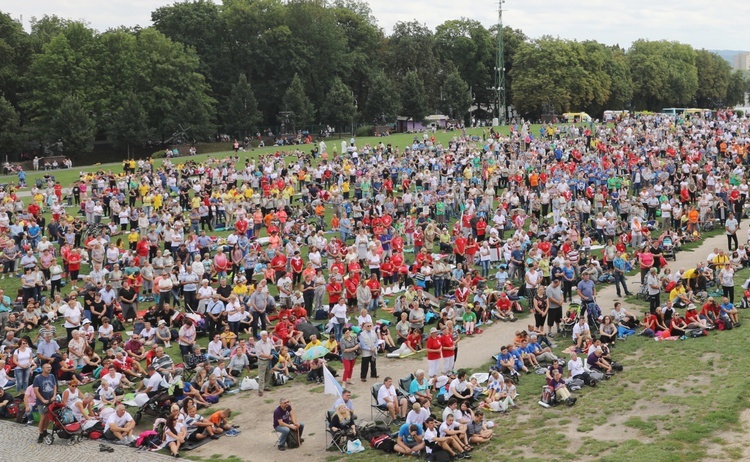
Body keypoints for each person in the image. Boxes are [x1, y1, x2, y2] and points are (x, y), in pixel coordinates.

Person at [33, 363, 57, 443]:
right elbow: (36, 390)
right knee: (43, 417)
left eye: (50, 367)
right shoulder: (38, 378)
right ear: (43, 369)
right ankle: (40, 433)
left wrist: (54, 396)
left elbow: (54, 386)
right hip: (42, 401)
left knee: (48, 417)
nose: (49, 369)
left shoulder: (52, 376)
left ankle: (45, 430)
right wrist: (42, 400)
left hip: (50, 400)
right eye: (47, 367)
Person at [256, 330, 275, 396]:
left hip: (269, 359)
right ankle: (260, 390)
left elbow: (272, 348)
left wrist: (272, 355)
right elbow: (259, 353)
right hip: (262, 360)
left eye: (266, 335)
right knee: (261, 375)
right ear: (261, 336)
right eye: (264, 335)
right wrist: (268, 356)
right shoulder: (258, 344)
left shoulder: (269, 341)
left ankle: (266, 386)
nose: (265, 336)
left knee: (268, 373)